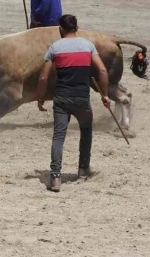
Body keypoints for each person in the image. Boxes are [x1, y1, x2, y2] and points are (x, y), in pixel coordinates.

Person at [36, 14, 111, 193]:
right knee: (86, 130)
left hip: (61, 98)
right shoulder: (87, 46)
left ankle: (55, 177)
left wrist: (40, 97)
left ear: (61, 29)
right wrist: (105, 95)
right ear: (76, 28)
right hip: (81, 98)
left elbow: (44, 76)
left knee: (59, 136)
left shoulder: (54, 48)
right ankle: (83, 170)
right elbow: (101, 69)